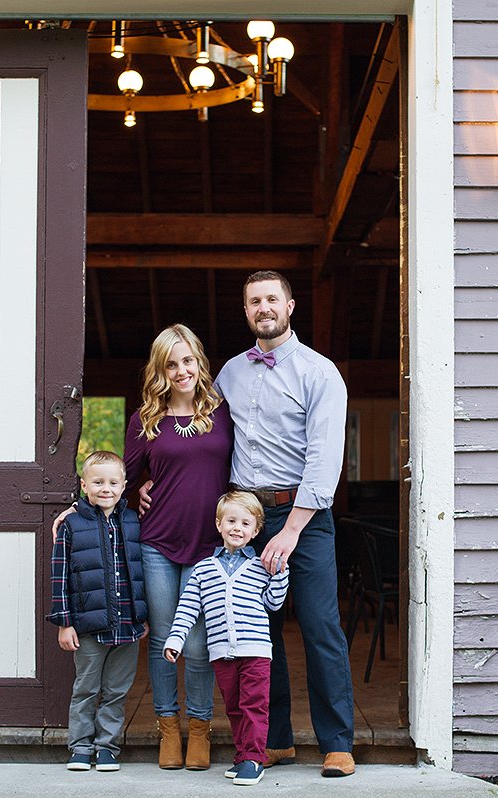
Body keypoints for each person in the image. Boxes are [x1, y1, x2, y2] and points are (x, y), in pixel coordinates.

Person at [56, 324, 232, 771]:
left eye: (187, 361)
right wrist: (77, 510)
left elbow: (241, 467)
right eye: (171, 364)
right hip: (155, 543)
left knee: (195, 644)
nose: (181, 370)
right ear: (160, 369)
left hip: (208, 545)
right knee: (160, 641)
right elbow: (117, 478)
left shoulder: (221, 412)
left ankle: (199, 728)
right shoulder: (145, 420)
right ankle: (167, 729)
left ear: (199, 361)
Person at [212, 270, 355, 778]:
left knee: (319, 626)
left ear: (290, 306)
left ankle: (337, 742)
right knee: (257, 634)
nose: (264, 307)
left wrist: (291, 530)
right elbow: (200, 438)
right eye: (254, 301)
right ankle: (275, 741)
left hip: (305, 517)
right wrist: (146, 478)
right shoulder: (228, 373)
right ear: (246, 310)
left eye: (273, 298)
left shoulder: (320, 373)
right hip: (246, 519)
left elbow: (324, 459)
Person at [163, 491, 289, 786]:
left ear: (256, 530)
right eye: (231, 521)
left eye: (245, 523)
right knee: (233, 707)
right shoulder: (203, 570)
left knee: (254, 705)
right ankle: (243, 754)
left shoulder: (261, 567)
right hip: (221, 651)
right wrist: (175, 640)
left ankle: (254, 759)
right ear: (219, 524)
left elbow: (274, 603)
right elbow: (188, 608)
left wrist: (281, 573)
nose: (237, 528)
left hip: (256, 650)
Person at [46, 450, 147, 774]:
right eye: (98, 482)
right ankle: (80, 748)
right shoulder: (72, 524)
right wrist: (64, 624)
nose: (106, 488)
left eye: (113, 482)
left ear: (124, 485)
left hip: (127, 627)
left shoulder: (132, 521)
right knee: (87, 688)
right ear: (84, 485)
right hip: (89, 627)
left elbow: (139, 572)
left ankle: (107, 748)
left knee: (116, 691)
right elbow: (60, 577)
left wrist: (141, 617)